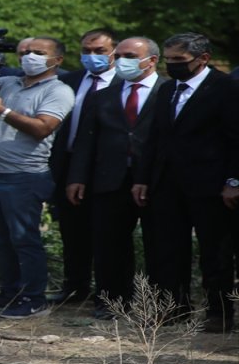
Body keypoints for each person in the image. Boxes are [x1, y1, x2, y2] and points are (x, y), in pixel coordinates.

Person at [0, 37, 74, 318]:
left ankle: (34, 297)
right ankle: (10, 292)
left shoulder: (59, 91)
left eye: (39, 53)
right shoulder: (7, 83)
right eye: (26, 52)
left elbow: (43, 128)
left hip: (23, 175)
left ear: (57, 60)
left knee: (24, 238)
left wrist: (2, 111)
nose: (30, 56)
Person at [132, 33, 239, 333]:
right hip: (168, 184)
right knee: (167, 249)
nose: (173, 66)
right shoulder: (168, 90)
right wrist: (142, 178)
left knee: (214, 252)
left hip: (210, 185)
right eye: (169, 60)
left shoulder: (226, 88)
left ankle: (219, 312)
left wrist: (234, 180)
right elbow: (155, 139)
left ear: (203, 58)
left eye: (180, 60)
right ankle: (173, 308)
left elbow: (235, 140)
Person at [66, 37, 164, 319]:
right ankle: (112, 302)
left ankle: (160, 305)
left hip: (155, 181)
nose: (122, 61)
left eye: (130, 55)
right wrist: (77, 177)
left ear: (152, 60)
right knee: (109, 245)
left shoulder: (166, 91)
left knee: (160, 244)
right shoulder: (103, 95)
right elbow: (87, 140)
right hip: (109, 180)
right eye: (119, 55)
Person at [49, 29, 118, 304]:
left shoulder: (125, 82)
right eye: (86, 51)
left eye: (99, 51)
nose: (92, 57)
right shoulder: (68, 81)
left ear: (114, 51)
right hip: (69, 164)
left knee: (106, 234)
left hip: (108, 168)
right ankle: (75, 286)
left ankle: (109, 293)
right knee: (72, 230)